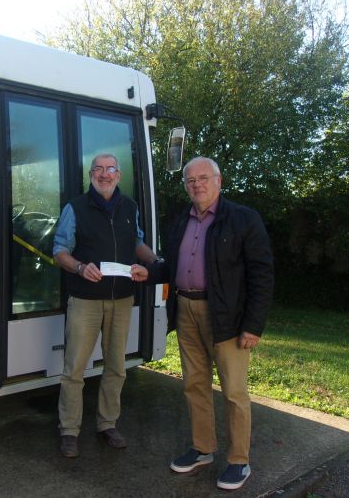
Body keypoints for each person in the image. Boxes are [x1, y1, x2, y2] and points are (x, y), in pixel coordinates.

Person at [132, 156, 274, 490]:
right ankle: (203, 449)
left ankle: (239, 461)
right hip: (186, 310)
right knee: (194, 385)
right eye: (190, 180)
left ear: (219, 180)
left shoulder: (242, 219)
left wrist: (253, 325)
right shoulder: (181, 220)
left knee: (234, 392)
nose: (197, 184)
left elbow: (262, 275)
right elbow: (172, 266)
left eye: (203, 178)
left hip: (227, 317)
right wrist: (149, 272)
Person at [52, 153, 157, 458]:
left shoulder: (130, 207)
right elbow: (60, 250)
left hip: (122, 298)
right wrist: (80, 267)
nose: (104, 174)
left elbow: (137, 242)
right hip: (85, 299)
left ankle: (107, 424)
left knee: (116, 367)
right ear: (91, 175)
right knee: (74, 369)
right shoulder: (75, 207)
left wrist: (155, 262)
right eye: (98, 169)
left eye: (110, 169)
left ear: (119, 175)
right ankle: (69, 430)